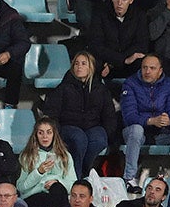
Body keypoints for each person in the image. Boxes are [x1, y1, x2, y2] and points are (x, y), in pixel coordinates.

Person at [41, 49, 118, 177]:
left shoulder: (101, 90)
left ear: (91, 67)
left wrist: (107, 132)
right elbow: (52, 113)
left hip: (93, 127)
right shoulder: (63, 88)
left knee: (99, 139)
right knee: (78, 138)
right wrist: (57, 131)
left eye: (83, 63)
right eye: (76, 63)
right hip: (68, 127)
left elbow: (109, 116)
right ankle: (76, 177)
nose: (79, 67)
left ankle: (84, 170)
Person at [120, 53, 170, 192]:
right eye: (145, 67)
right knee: (136, 129)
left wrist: (169, 120)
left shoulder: (169, 84)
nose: (147, 71)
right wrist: (151, 121)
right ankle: (129, 179)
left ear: (160, 71)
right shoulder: (130, 83)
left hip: (161, 133)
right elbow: (129, 116)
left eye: (152, 68)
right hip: (136, 134)